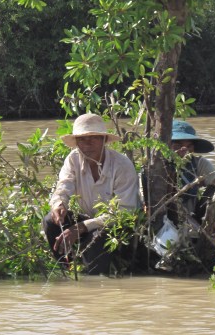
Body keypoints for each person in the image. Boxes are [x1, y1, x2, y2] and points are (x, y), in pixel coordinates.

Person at [42, 113, 141, 275]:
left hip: (118, 227)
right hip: (90, 221)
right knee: (50, 221)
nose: (87, 144)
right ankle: (67, 270)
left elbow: (124, 212)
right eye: (82, 139)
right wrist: (59, 204)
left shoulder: (122, 165)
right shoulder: (73, 159)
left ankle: (94, 280)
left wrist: (81, 227)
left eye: (93, 138)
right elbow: (63, 186)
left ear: (104, 140)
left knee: (97, 236)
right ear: (76, 143)